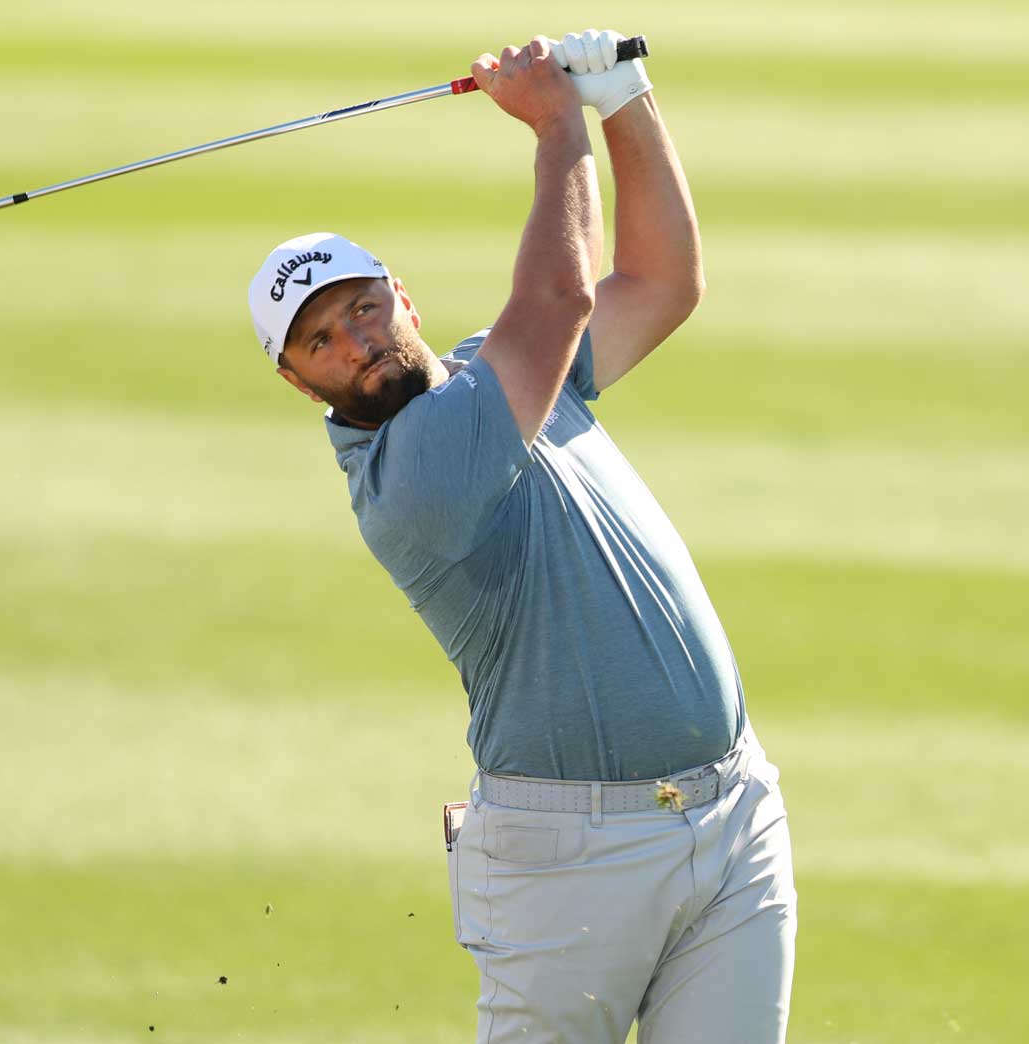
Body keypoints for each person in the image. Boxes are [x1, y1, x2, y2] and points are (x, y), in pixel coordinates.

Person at [244, 30, 795, 1042]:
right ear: (296, 381)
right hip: (570, 858)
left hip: (730, 816)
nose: (356, 343)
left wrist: (625, 97)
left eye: (363, 309)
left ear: (398, 295)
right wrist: (555, 122)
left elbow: (661, 283)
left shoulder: (496, 377)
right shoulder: (411, 471)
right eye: (319, 341)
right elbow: (558, 296)